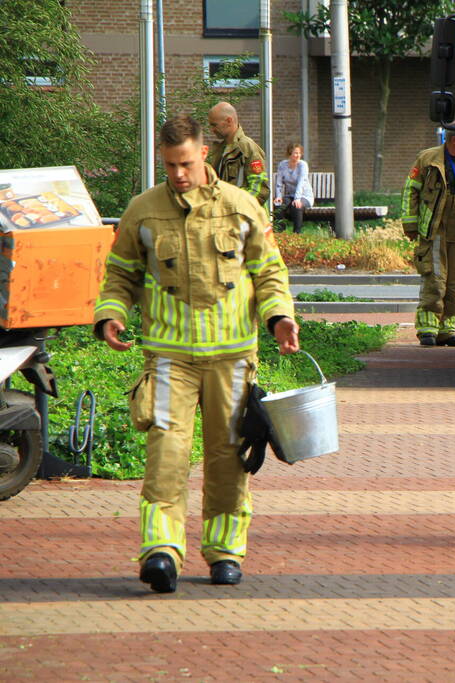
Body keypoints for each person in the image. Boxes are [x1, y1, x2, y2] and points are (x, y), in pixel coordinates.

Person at [94, 113, 300, 593]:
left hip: (232, 358)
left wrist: (280, 318)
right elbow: (120, 274)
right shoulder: (142, 211)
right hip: (168, 358)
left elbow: (270, 274)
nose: (178, 174)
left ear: (203, 153)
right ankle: (161, 553)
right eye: (169, 166)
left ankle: (225, 553)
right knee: (166, 457)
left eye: (185, 163)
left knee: (227, 459)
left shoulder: (242, 206)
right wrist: (110, 315)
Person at [401, 119, 455, 347]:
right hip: (436, 229)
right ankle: (427, 329)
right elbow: (410, 191)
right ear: (454, 139)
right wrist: (411, 225)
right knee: (435, 279)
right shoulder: (427, 159)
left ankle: (446, 330)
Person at [207, 101, 270, 206]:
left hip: (244, 218)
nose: (212, 130)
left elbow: (259, 190)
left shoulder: (248, 148)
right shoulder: (220, 150)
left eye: (214, 125)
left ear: (229, 121)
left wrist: (237, 208)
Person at [274, 142, 314, 233]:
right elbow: (279, 183)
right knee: (278, 205)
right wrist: (279, 197)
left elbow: (301, 183)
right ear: (289, 153)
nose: (298, 155)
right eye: (295, 153)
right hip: (290, 196)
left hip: (304, 196)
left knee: (296, 206)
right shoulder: (282, 165)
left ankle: (297, 233)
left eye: (299, 153)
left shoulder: (303, 165)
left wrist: (297, 198)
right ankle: (279, 233)